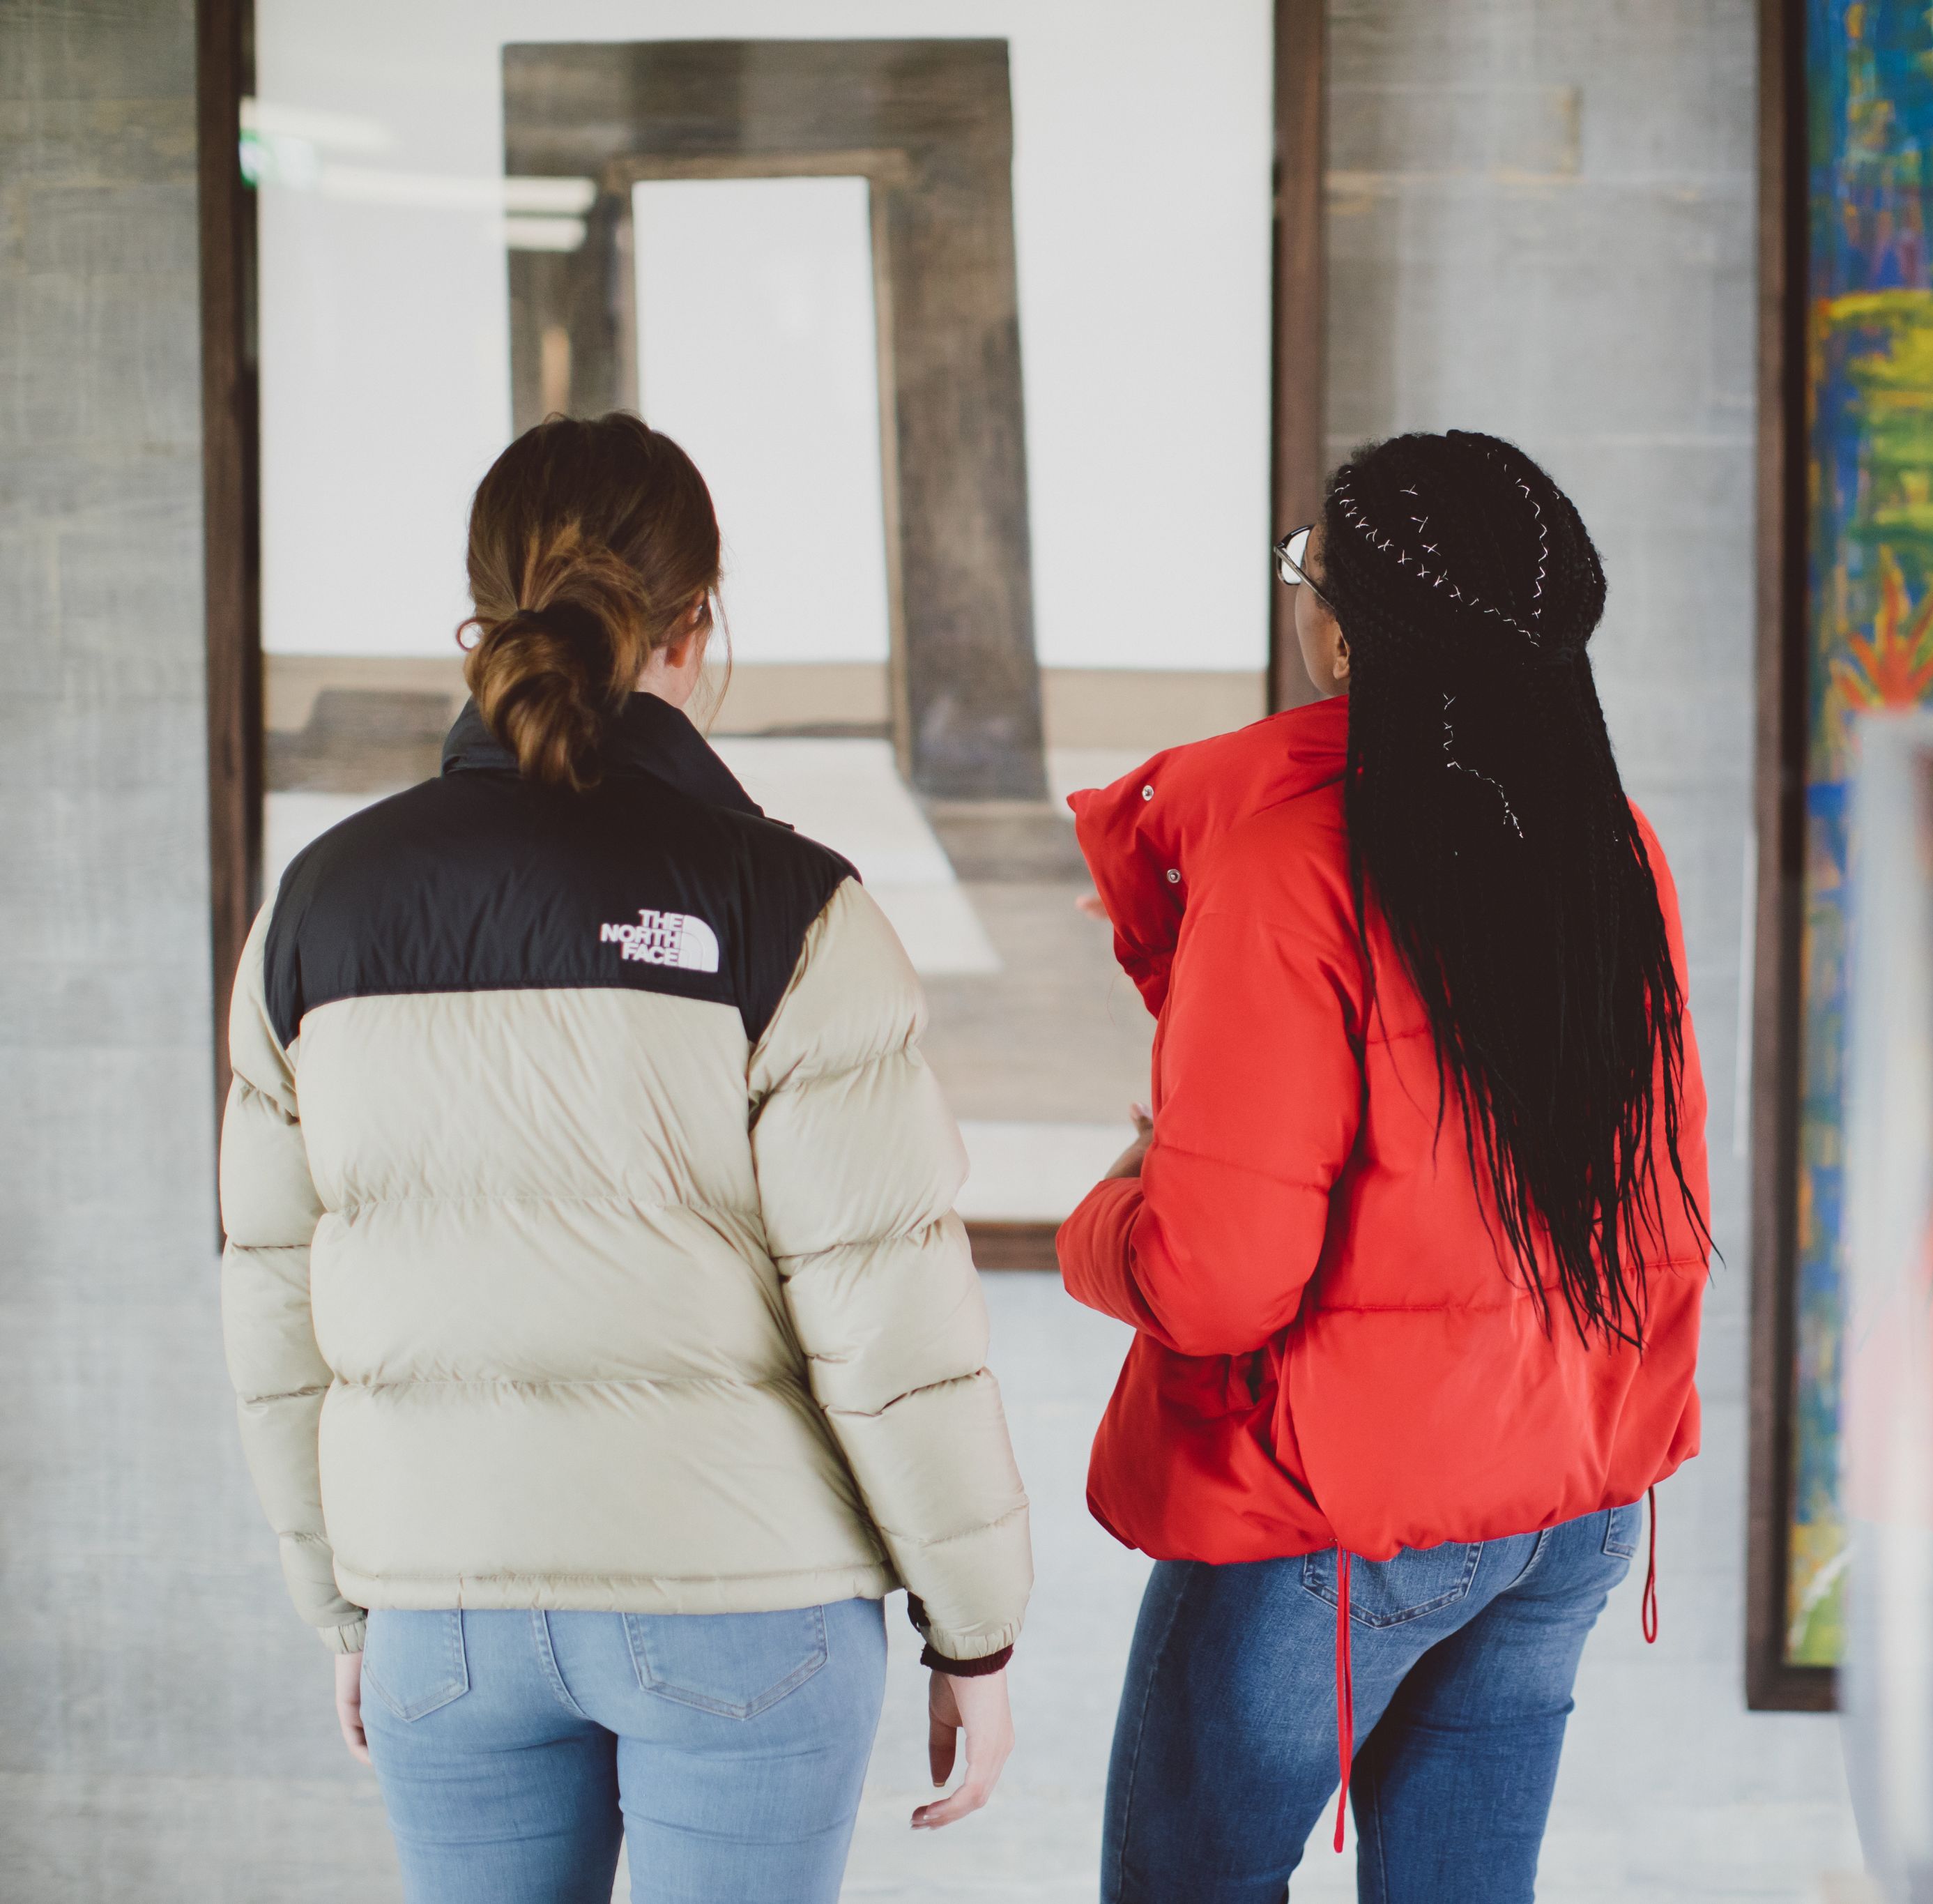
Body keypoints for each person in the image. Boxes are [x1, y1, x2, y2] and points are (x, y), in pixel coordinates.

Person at [218, 413, 1032, 1904]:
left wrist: (350, 1604)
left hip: (442, 1611)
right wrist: (973, 1627)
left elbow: (276, 1308)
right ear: (696, 626)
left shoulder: (316, 911)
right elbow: (888, 1320)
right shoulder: (791, 908)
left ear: (482, 613)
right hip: (747, 1600)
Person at [1060, 429, 1713, 1901]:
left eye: (1312, 568)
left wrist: (1100, 1221)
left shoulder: (1289, 864)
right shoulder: (1613, 841)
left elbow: (1217, 1280)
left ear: (1339, 629)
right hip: (1570, 1498)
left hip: (1332, 1517)